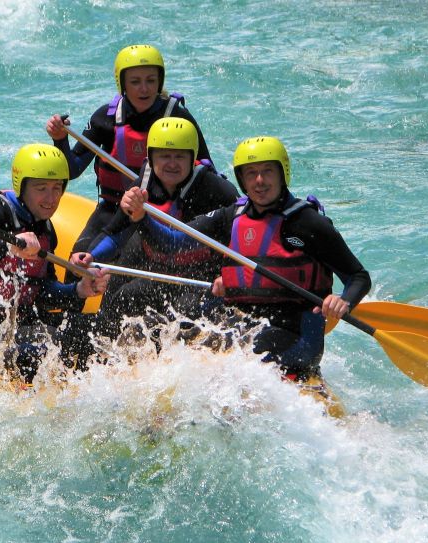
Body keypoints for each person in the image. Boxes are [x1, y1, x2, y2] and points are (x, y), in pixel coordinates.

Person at [130, 136, 371, 378]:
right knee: (168, 329)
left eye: (267, 171)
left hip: (295, 335)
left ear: (282, 173)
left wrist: (344, 301)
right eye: (251, 173)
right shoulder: (230, 216)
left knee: (237, 353)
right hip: (241, 323)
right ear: (242, 179)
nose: (260, 181)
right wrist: (141, 217)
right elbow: (172, 244)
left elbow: (358, 276)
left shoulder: (308, 223)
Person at [0, 143, 109, 381]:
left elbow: (41, 293)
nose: (51, 198)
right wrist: (7, 246)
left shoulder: (45, 230)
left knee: (94, 329)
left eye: (57, 188)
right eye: (41, 188)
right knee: (50, 340)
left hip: (8, 330)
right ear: (22, 186)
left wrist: (79, 290)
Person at [45, 44, 213, 262]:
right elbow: (72, 169)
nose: (144, 88)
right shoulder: (106, 118)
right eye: (135, 82)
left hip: (163, 213)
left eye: (150, 80)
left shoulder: (179, 119)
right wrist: (60, 140)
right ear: (122, 83)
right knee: (76, 265)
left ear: (159, 82)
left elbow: (206, 170)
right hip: (113, 209)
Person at [77, 116, 240, 339]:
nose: (171, 163)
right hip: (159, 267)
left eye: (180, 156)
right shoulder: (143, 184)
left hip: (201, 275)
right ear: (151, 158)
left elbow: (236, 241)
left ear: (193, 158)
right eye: (164, 156)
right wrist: (90, 255)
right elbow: (114, 233)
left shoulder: (216, 190)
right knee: (121, 298)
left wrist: (230, 277)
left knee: (184, 316)